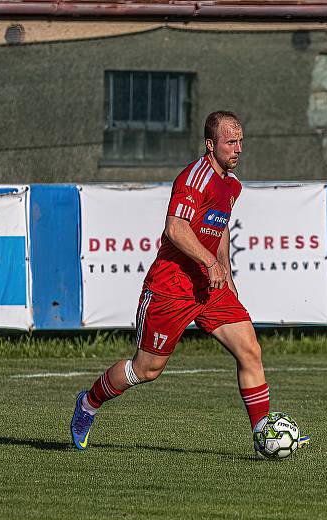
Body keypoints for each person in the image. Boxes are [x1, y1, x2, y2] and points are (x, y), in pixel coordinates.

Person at [70, 111, 307, 451]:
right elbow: (175, 228)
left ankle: (262, 435)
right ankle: (88, 403)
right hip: (171, 285)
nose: (238, 149)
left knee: (250, 350)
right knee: (147, 369)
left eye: (241, 142)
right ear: (210, 144)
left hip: (209, 286)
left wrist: (225, 272)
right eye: (230, 143)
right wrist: (209, 261)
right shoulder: (194, 178)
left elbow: (219, 226)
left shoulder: (231, 184)